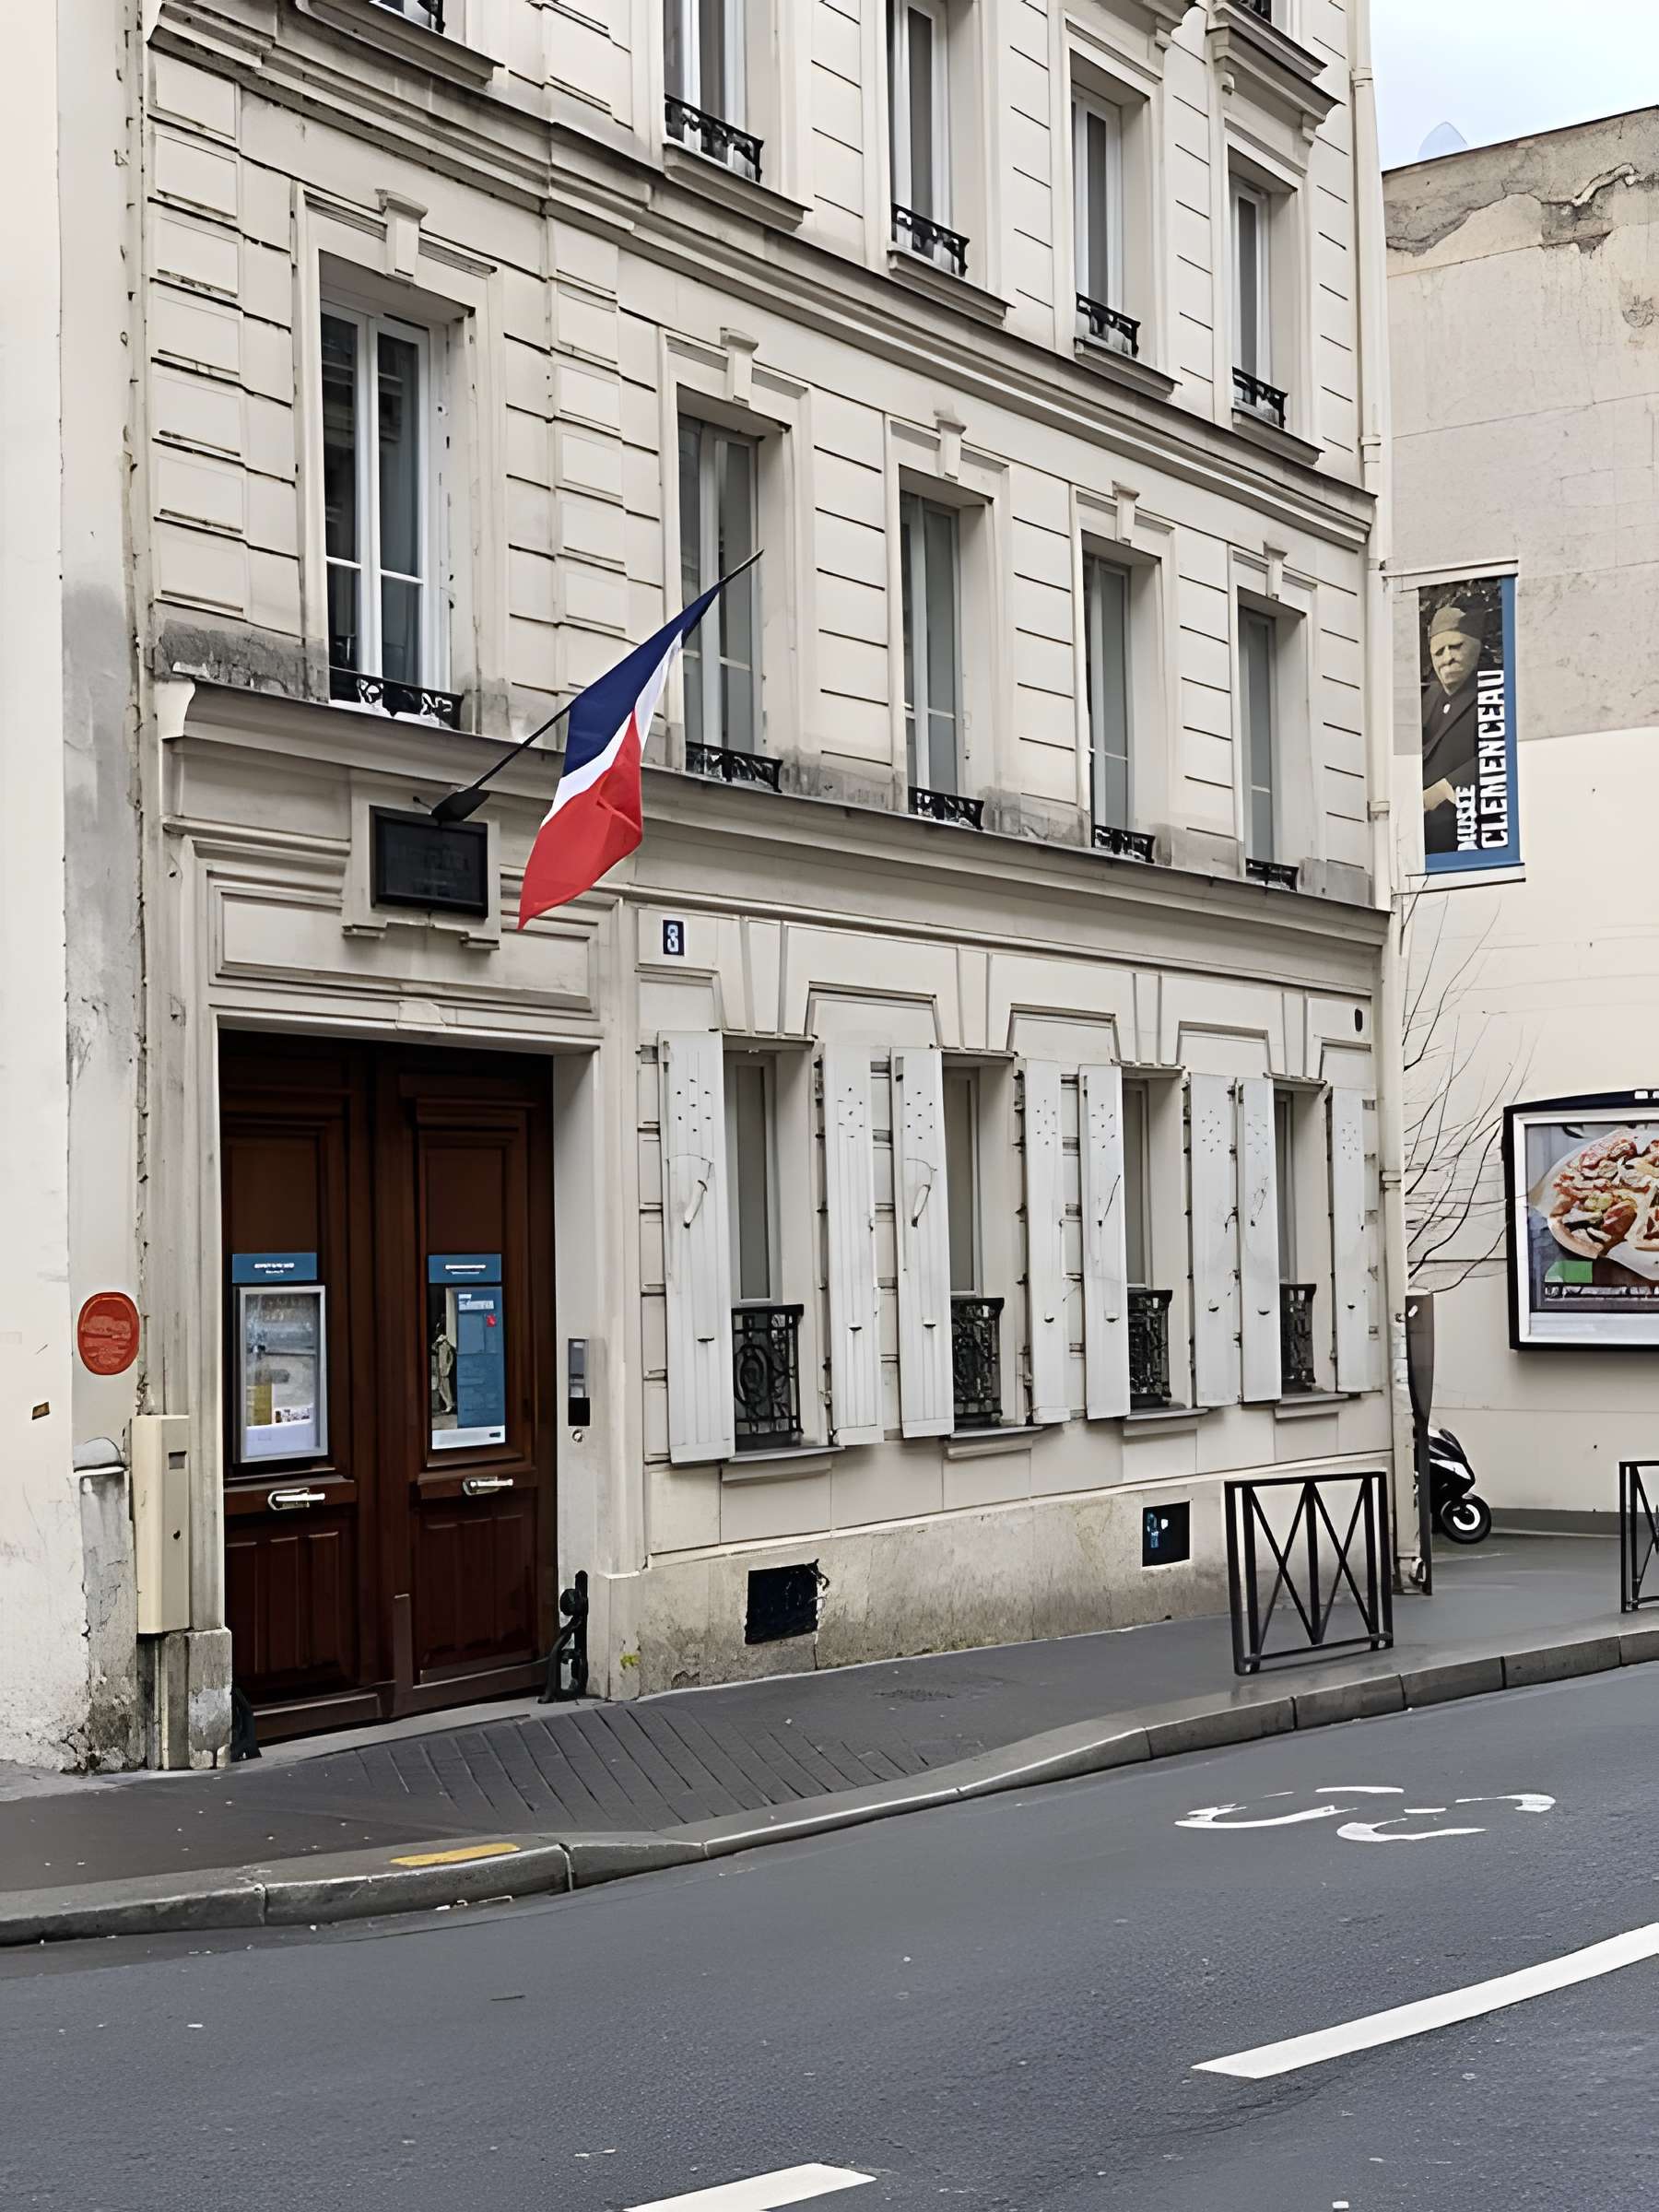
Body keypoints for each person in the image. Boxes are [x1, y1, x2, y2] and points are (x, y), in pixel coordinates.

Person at [1420, 596, 1485, 855]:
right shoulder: (1428, 699)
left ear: (1476, 648)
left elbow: (1504, 754)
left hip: (1468, 838)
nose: (1447, 658)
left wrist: (1445, 788)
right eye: (1438, 652)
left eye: (1456, 647)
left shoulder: (1493, 692)